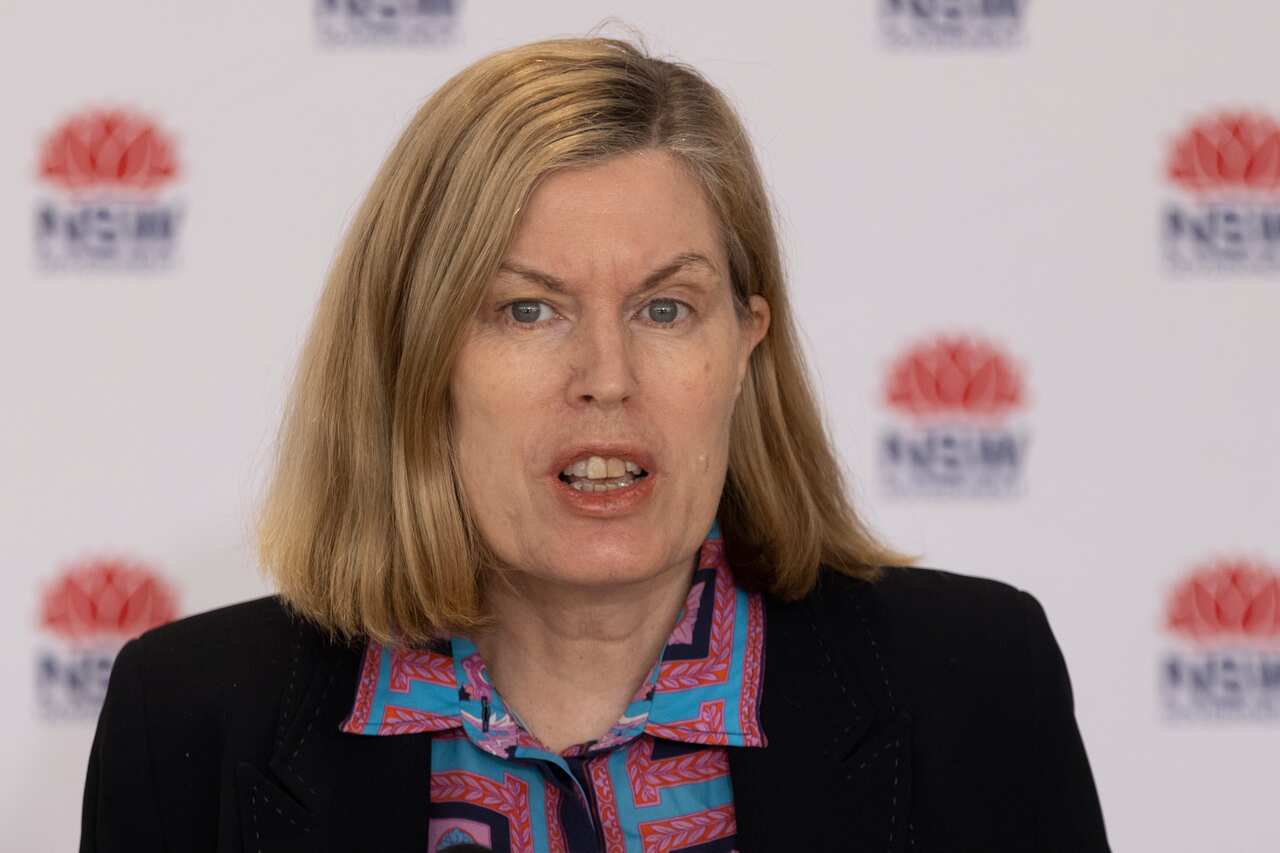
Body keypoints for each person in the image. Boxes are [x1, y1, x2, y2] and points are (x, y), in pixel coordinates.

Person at [79, 35, 1110, 852]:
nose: (606, 376)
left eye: (666, 308)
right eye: (528, 311)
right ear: (416, 353)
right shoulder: (193, 719)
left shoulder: (973, 684)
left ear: (745, 342)